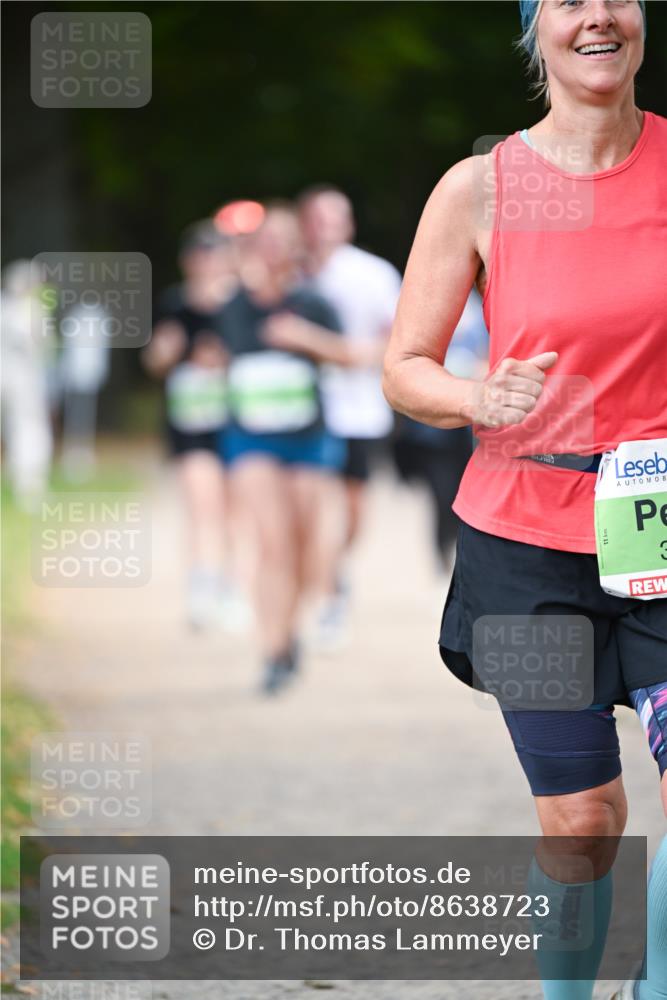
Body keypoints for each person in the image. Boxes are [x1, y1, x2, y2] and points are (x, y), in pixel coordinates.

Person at [383, 2, 665, 998]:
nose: (598, 16)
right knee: (581, 822)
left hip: (663, 530)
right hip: (525, 539)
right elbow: (404, 365)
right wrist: (471, 396)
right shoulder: (481, 189)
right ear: (534, 29)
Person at [219, 203, 363, 694]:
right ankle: (272, 648)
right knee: (271, 540)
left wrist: (305, 340)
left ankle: (290, 627)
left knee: (302, 544)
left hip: (308, 437)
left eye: (284, 240)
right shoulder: (234, 305)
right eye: (267, 240)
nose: (275, 250)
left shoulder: (314, 303)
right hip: (250, 436)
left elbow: (350, 356)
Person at [298, 186, 402, 647]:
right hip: (306, 409)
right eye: (317, 219)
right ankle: (328, 595)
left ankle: (332, 570)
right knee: (320, 506)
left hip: (360, 409)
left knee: (354, 511)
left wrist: (351, 355)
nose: (325, 228)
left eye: (334, 218)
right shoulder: (291, 274)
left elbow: (400, 337)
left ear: (349, 224)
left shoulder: (374, 274)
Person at [142, 221, 244, 630]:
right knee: (202, 503)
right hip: (190, 420)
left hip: (236, 417)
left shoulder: (242, 305)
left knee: (235, 510)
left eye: (213, 255)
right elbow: (153, 362)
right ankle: (201, 587)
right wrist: (166, 353)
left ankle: (233, 589)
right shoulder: (173, 304)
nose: (206, 264)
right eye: (199, 256)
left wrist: (225, 360)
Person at [392, 289, 488, 574]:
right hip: (434, 429)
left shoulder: (486, 310)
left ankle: (461, 550)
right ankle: (441, 548)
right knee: (440, 491)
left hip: (474, 425)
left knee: (466, 487)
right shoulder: (425, 305)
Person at [0, 260, 54, 510]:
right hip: (23, 381)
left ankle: (25, 482)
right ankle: (29, 486)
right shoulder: (29, 309)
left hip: (14, 379)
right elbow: (40, 345)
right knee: (29, 431)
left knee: (18, 431)